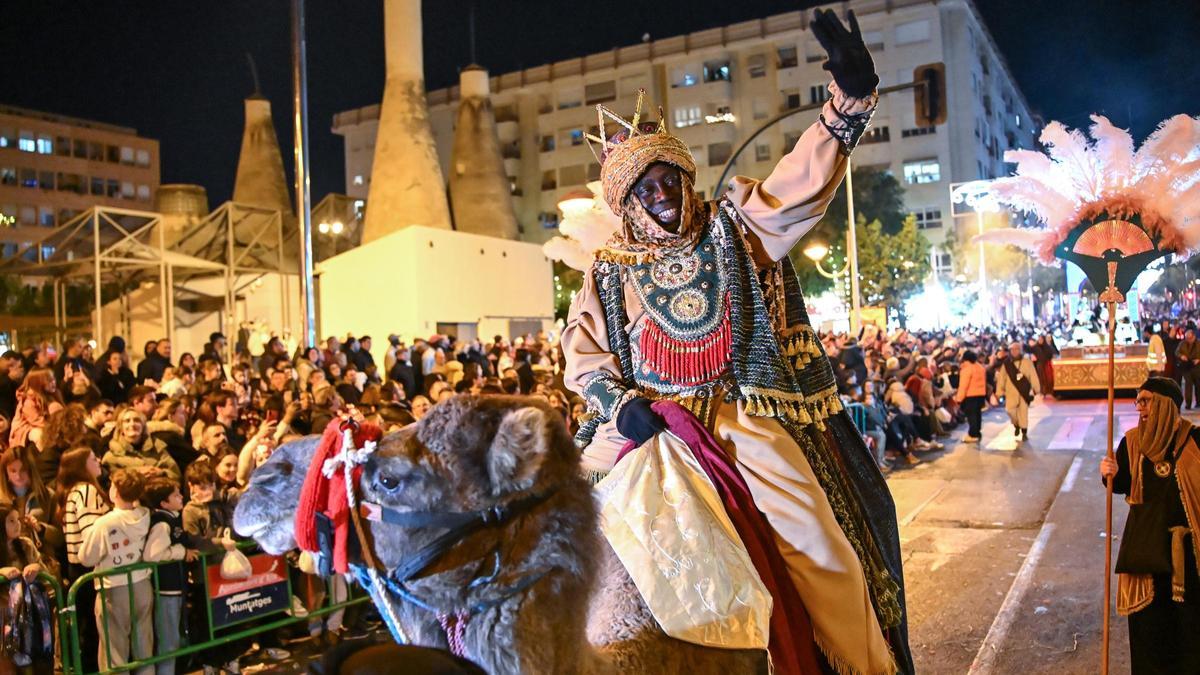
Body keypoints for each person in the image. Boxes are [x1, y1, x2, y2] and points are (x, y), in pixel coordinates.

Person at [563, 10, 909, 673]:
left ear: (684, 178)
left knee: (821, 545)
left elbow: (797, 189)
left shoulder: (734, 229)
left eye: (668, 178)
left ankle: (868, 667)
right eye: (646, 187)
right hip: (644, 423)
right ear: (628, 203)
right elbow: (584, 358)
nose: (662, 194)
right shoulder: (606, 272)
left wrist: (847, 104)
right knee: (558, 518)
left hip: (737, 416)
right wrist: (618, 403)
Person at [1099, 377, 1200, 673]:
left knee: (1190, 629)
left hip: (1190, 556)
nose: (1140, 408)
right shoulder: (1131, 442)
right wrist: (1109, 473)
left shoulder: (1194, 441)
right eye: (1138, 401)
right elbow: (1119, 485)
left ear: (1167, 405)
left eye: (1147, 401)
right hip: (1148, 554)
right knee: (1150, 631)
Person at [78, 468, 154, 675]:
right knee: (144, 643)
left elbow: (86, 557)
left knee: (114, 648)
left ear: (115, 492)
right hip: (142, 583)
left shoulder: (105, 523)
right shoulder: (145, 515)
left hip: (114, 586)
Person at [54, 447, 109, 674]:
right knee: (94, 632)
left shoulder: (72, 492)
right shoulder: (86, 491)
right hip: (88, 568)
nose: (99, 462)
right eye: (93, 459)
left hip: (78, 568)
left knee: (89, 630)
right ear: (81, 466)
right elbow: (92, 535)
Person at [142, 477, 202, 675]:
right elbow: (153, 554)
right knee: (169, 642)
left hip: (175, 587)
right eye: (176, 494)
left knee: (172, 640)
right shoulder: (162, 523)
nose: (181, 496)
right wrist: (181, 552)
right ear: (163, 503)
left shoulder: (173, 517)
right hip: (166, 589)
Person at [994, 342, 1040, 442]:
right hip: (1010, 392)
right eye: (1012, 349)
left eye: (1017, 349)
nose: (1014, 351)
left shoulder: (1027, 362)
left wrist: (1036, 388)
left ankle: (1024, 431)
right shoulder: (1007, 363)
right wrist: (999, 392)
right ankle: (1016, 424)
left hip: (1024, 392)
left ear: (1020, 350)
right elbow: (1002, 378)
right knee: (1010, 411)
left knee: (1023, 413)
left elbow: (1033, 375)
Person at [9, 368, 64, 452]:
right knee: (39, 435)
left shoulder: (54, 394)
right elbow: (36, 421)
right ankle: (46, 456)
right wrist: (54, 428)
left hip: (46, 424)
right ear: (38, 383)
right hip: (26, 428)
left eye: (53, 378)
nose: (53, 382)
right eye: (49, 381)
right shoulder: (28, 400)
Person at [955, 350, 987, 443]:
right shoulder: (980, 367)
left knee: (971, 415)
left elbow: (963, 385)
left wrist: (959, 399)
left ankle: (973, 434)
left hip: (970, 395)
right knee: (977, 414)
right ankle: (977, 432)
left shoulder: (966, 369)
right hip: (981, 394)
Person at [1176, 329, 1200, 409]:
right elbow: (1177, 352)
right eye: (1187, 338)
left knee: (1198, 385)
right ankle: (1188, 404)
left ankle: (1198, 402)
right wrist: (1181, 356)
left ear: (1194, 336)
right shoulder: (1182, 343)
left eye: (1190, 338)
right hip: (1186, 367)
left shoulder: (1198, 343)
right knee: (1188, 385)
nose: (1188, 340)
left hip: (1197, 367)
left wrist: (1198, 359)